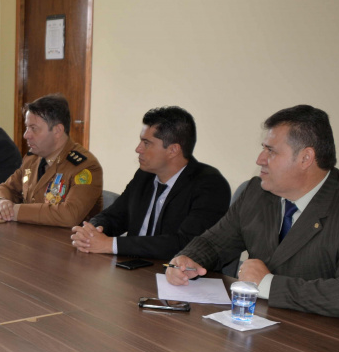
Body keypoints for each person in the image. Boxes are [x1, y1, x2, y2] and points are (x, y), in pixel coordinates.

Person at [167, 105, 339, 320]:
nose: (260, 159)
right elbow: (215, 243)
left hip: (328, 341)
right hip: (263, 326)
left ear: (306, 158)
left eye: (270, 151)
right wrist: (188, 260)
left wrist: (267, 284)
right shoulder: (257, 192)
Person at [70, 106, 231, 259]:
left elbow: (186, 243)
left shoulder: (210, 185)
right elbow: (115, 215)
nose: (138, 149)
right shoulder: (144, 175)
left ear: (173, 150)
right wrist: (93, 230)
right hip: (134, 270)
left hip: (179, 279)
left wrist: (110, 244)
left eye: (146, 143)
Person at [0, 94, 103, 227]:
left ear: (58, 131)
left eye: (33, 128)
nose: (26, 135)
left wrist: (14, 211)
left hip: (68, 244)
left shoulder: (84, 166)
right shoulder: (32, 159)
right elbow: (7, 188)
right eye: (26, 127)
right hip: (30, 239)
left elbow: (69, 215)